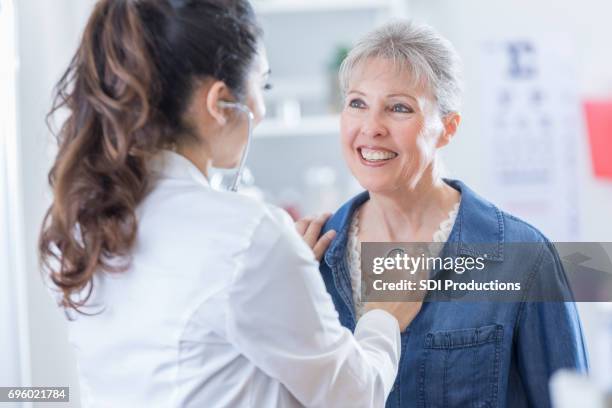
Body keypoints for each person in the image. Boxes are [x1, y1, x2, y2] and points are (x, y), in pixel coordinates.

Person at [38, 1, 423, 406]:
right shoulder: (246, 237)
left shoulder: (83, 222)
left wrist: (285, 278)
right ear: (220, 103)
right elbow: (354, 396)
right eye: (263, 86)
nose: (259, 109)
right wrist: (382, 316)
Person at [318, 20, 589, 407]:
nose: (371, 128)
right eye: (357, 103)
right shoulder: (311, 258)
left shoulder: (522, 257)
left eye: (399, 108)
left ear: (447, 128)